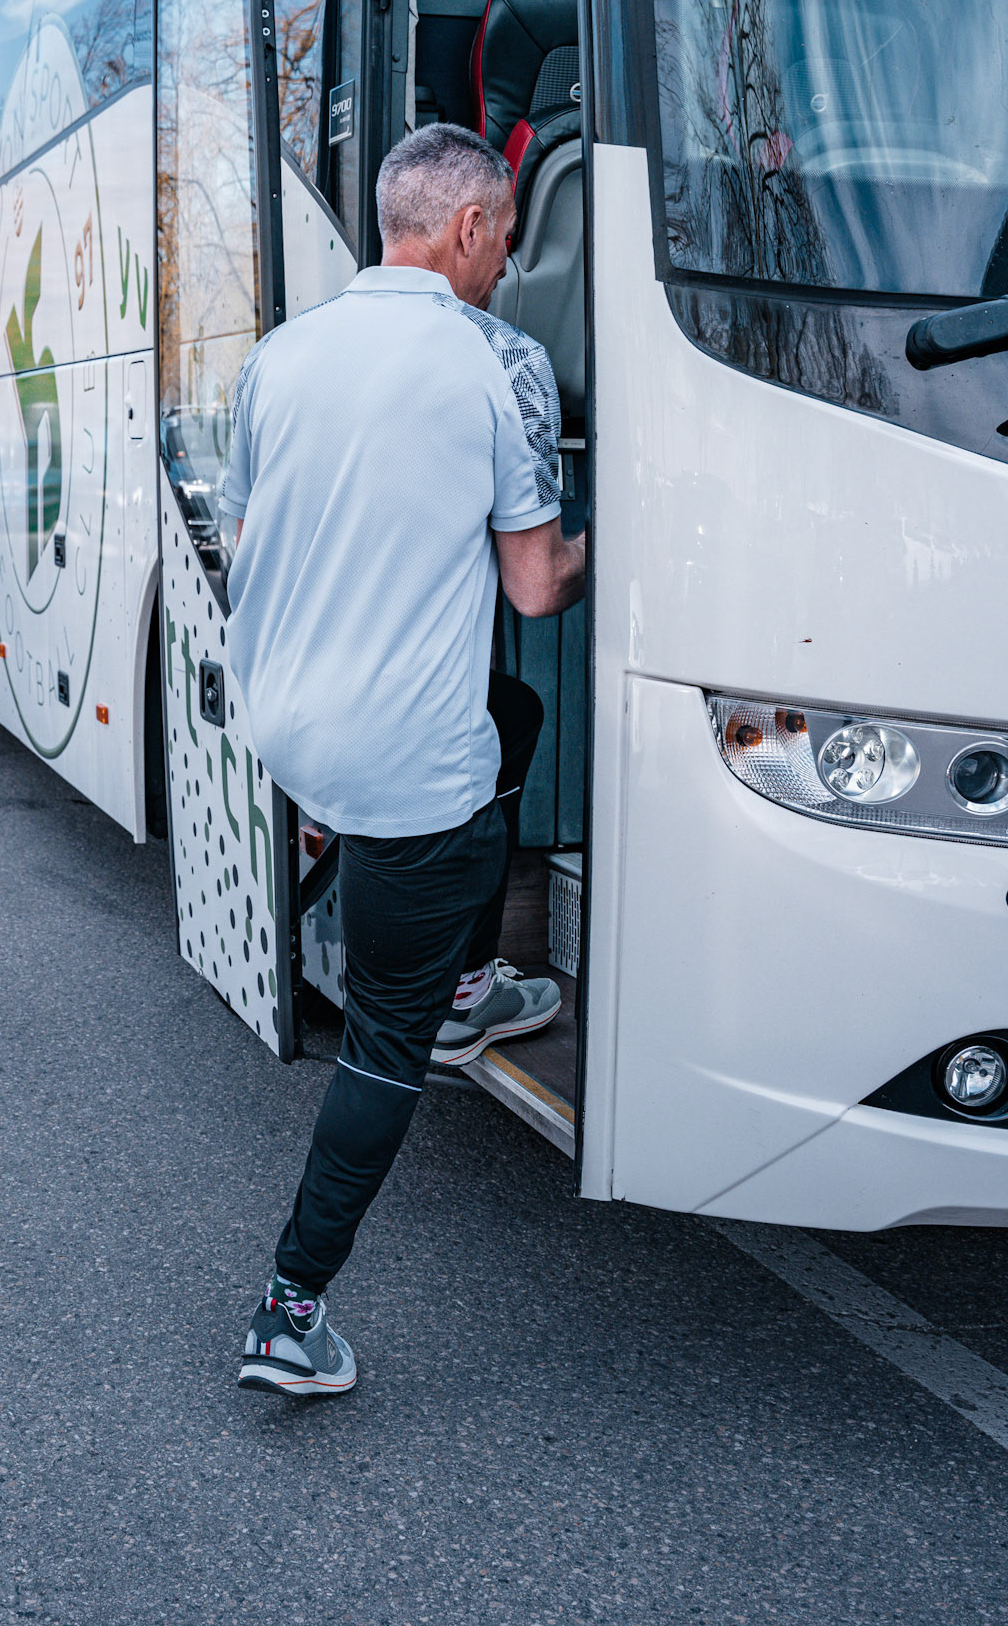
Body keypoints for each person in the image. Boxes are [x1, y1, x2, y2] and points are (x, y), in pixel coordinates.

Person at [219, 122, 587, 1396]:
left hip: (287, 722)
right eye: (505, 239)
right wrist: (614, 537)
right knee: (385, 1040)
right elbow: (536, 589)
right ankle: (289, 1306)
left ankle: (470, 977)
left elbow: (257, 526)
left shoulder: (281, 354)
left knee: (513, 724)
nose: (505, 262)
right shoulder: (503, 358)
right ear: (474, 228)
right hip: (404, 765)